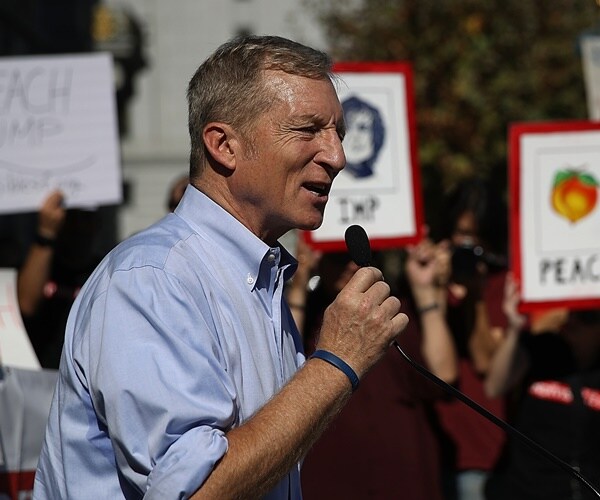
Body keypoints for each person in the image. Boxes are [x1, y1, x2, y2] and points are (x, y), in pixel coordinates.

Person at [33, 35, 409, 499]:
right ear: (224, 146)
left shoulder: (261, 277)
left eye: (338, 134)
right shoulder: (153, 278)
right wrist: (336, 362)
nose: (337, 157)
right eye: (308, 130)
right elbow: (195, 490)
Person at [292, 235, 457, 499]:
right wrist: (298, 289)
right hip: (329, 480)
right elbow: (284, 377)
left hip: (402, 479)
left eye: (355, 256)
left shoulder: (396, 310)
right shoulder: (306, 313)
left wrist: (425, 291)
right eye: (336, 256)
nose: (350, 266)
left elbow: (445, 375)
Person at [427, 178, 509, 500]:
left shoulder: (502, 285)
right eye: (461, 235)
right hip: (436, 451)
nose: (467, 247)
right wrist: (433, 287)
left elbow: (486, 361)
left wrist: (474, 296)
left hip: (487, 453)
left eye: (476, 238)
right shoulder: (430, 278)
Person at [484, 276, 600, 500]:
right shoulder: (543, 347)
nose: (573, 322)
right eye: (571, 313)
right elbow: (494, 386)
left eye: (587, 317)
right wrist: (514, 328)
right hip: (526, 489)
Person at [17, 190, 106, 368]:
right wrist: (46, 233)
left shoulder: (106, 270)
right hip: (42, 380)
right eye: (72, 218)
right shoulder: (39, 265)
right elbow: (26, 305)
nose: (80, 227)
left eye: (86, 218)